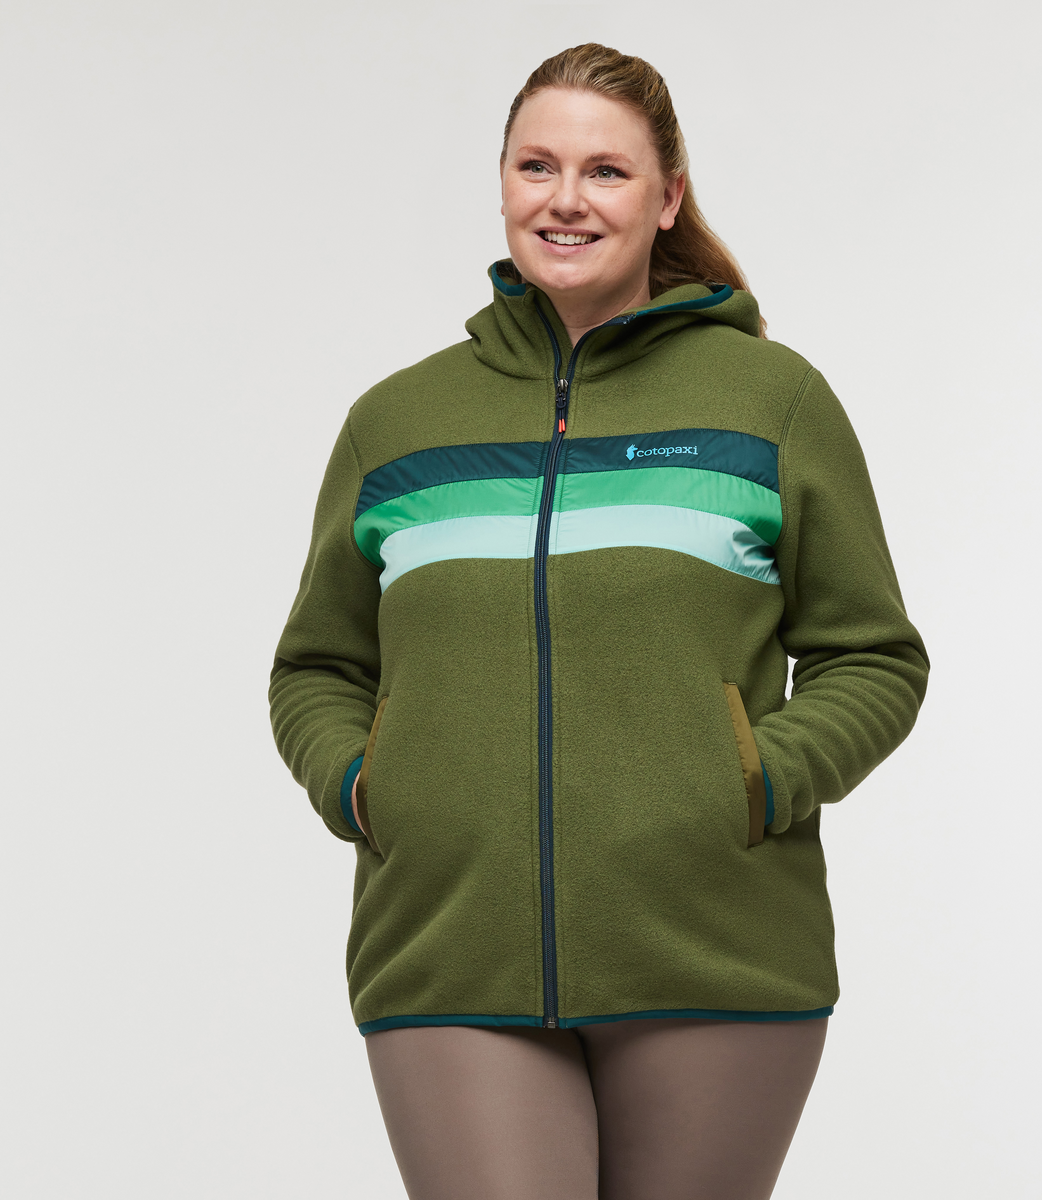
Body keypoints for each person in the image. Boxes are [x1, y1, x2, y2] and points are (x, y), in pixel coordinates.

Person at [270, 42, 928, 1200]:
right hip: (447, 949)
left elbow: (873, 656)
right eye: (537, 166)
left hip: (715, 952)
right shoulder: (398, 425)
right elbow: (317, 664)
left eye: (606, 171)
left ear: (667, 198)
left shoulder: (768, 402)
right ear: (504, 183)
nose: (565, 199)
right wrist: (370, 786)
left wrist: (751, 781)